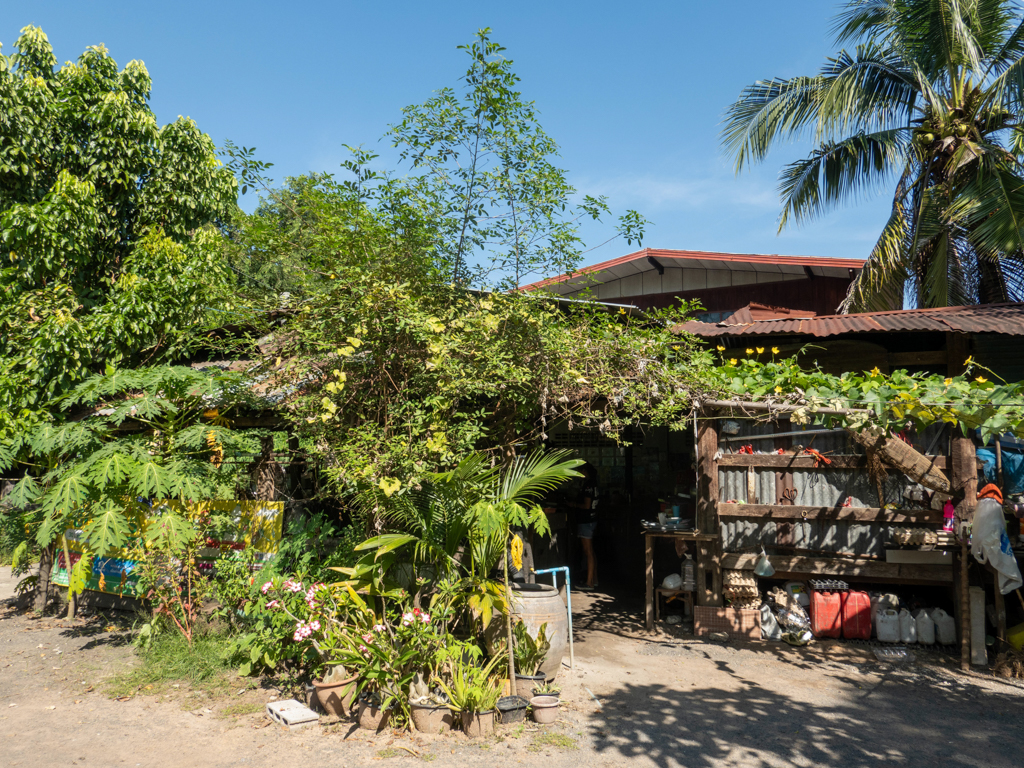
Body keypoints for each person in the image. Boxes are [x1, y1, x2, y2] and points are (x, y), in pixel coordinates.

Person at [570, 463, 599, 591]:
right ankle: (594, 579)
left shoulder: (588, 485)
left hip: (586, 520)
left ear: (585, 471)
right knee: (591, 551)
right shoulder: (594, 484)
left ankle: (589, 583)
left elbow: (586, 505)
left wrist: (574, 505)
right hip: (592, 519)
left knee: (588, 552)